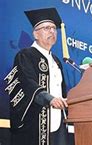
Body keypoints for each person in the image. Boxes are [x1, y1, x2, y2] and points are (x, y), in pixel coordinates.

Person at [4, 8, 70, 145]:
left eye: (53, 28)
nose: (52, 31)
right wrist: (49, 98)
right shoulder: (25, 55)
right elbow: (27, 83)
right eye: (46, 28)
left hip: (58, 121)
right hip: (35, 121)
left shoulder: (57, 61)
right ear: (35, 34)